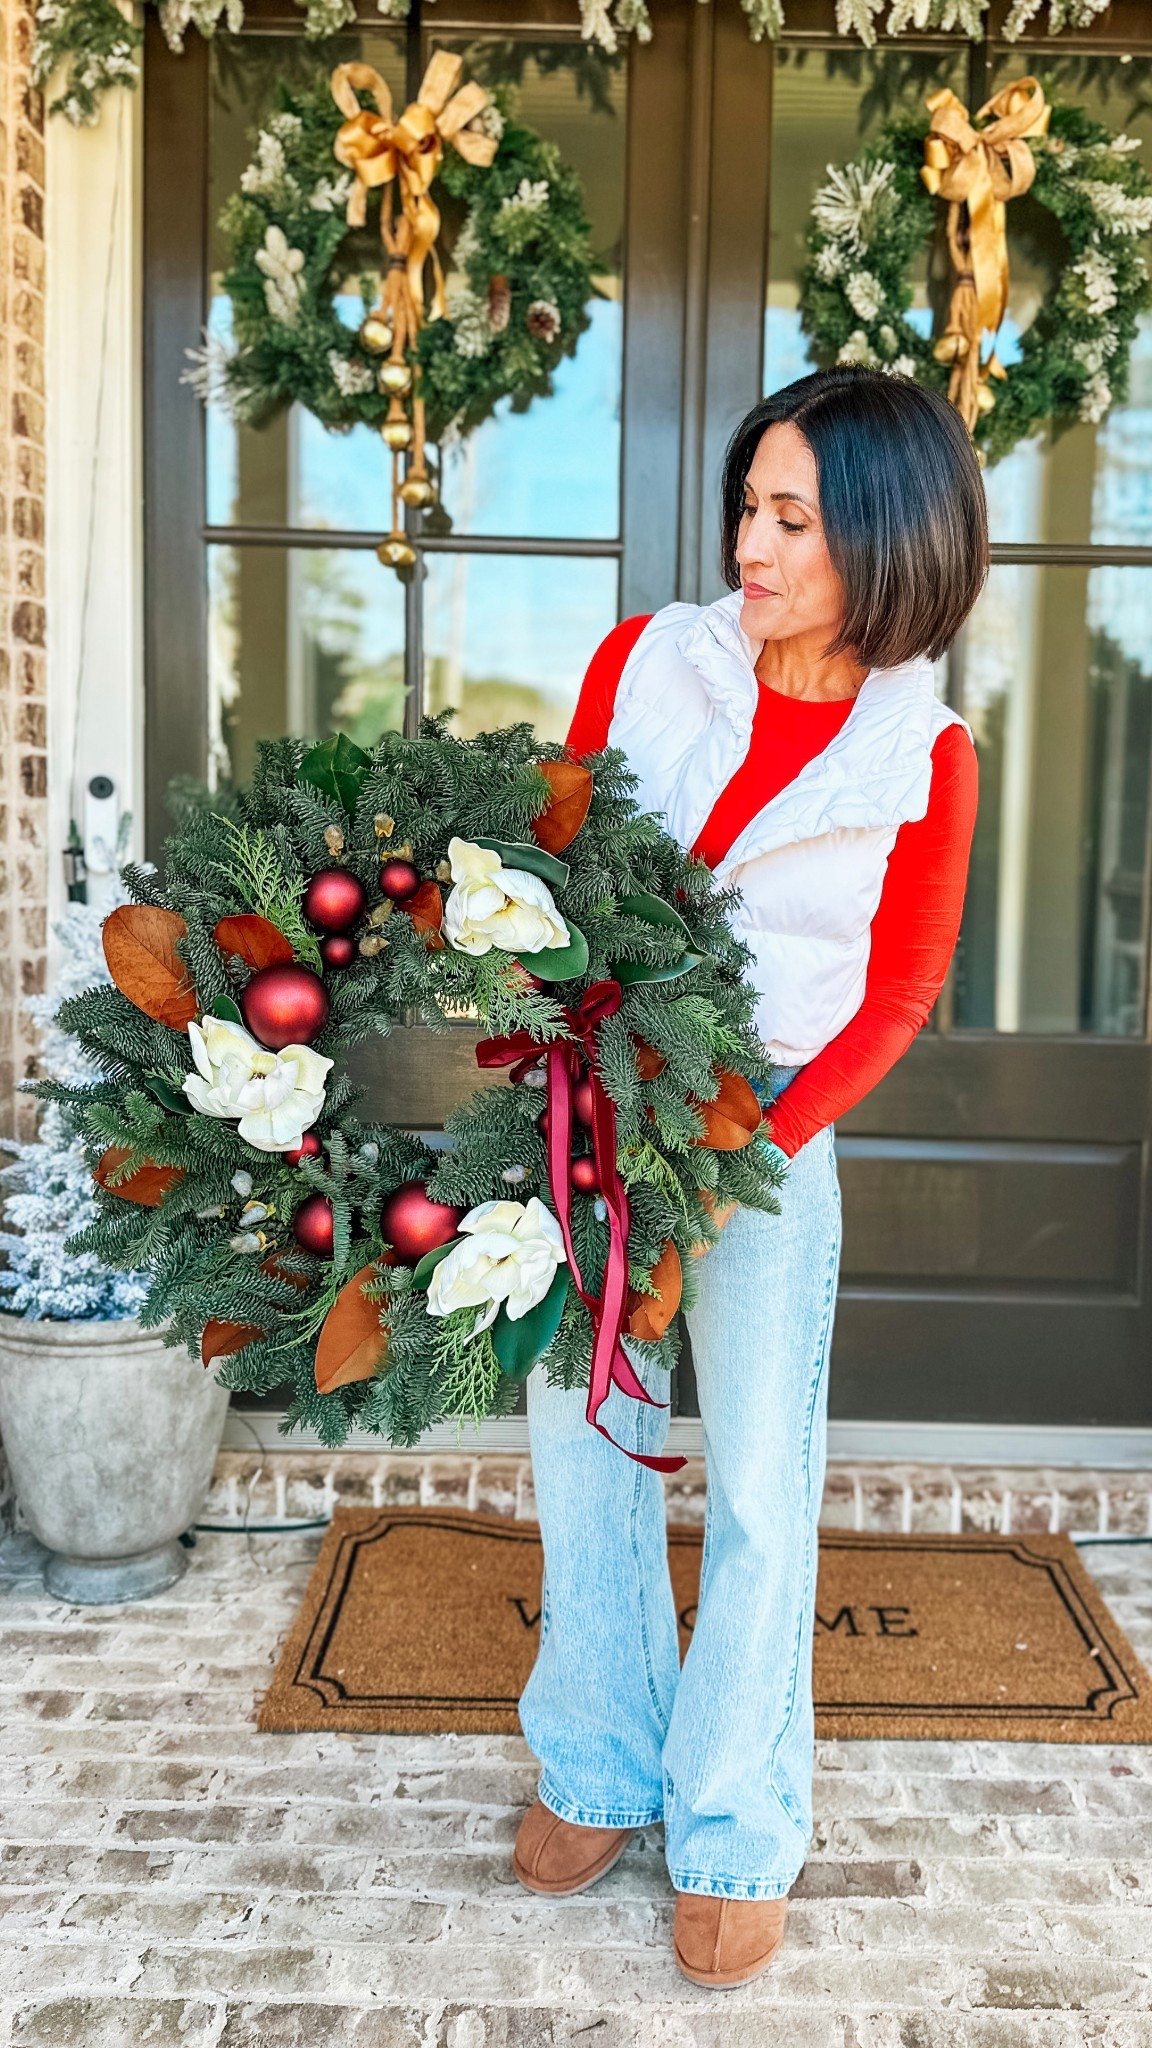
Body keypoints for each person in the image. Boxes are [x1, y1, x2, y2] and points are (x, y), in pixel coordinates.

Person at [511, 367, 986, 1988]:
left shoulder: (927, 756)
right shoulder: (652, 660)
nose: (753, 545)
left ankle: (731, 1821)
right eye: (749, 505)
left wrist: (742, 1163)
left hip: (766, 1126)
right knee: (584, 1437)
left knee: (763, 1489)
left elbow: (897, 1000)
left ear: (885, 542)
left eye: (794, 518)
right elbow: (557, 853)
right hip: (595, 1084)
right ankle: (596, 1761)